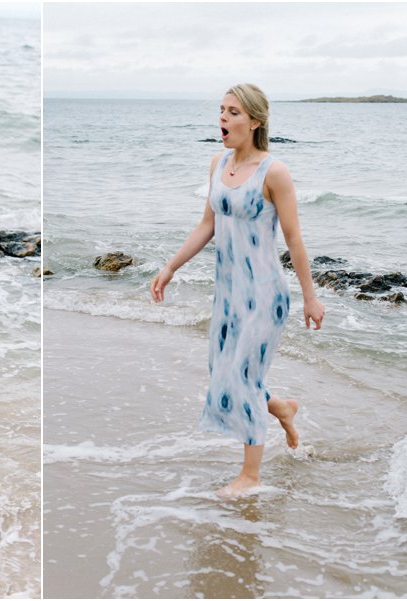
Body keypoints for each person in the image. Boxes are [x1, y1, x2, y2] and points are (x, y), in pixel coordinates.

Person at [150, 83, 325, 497]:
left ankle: (250, 475)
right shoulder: (217, 163)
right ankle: (280, 407)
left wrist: (310, 296)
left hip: (264, 293)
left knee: (242, 379)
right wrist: (171, 266)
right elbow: (207, 226)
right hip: (228, 294)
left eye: (232, 112)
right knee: (224, 374)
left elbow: (294, 238)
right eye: (221, 111)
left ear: (255, 121)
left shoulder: (274, 172)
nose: (223, 120)